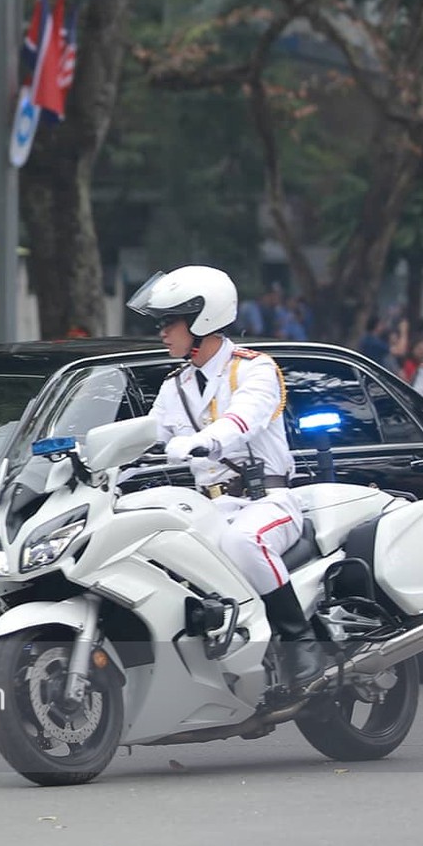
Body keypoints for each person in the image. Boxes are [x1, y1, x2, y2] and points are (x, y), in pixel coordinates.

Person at [129, 266, 316, 691]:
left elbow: (242, 420)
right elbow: (142, 435)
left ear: (202, 320)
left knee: (242, 541)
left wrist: (203, 442)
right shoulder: (174, 387)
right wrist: (83, 453)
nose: (162, 332)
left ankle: (300, 638)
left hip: (265, 501)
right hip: (208, 507)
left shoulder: (254, 370)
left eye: (169, 322)